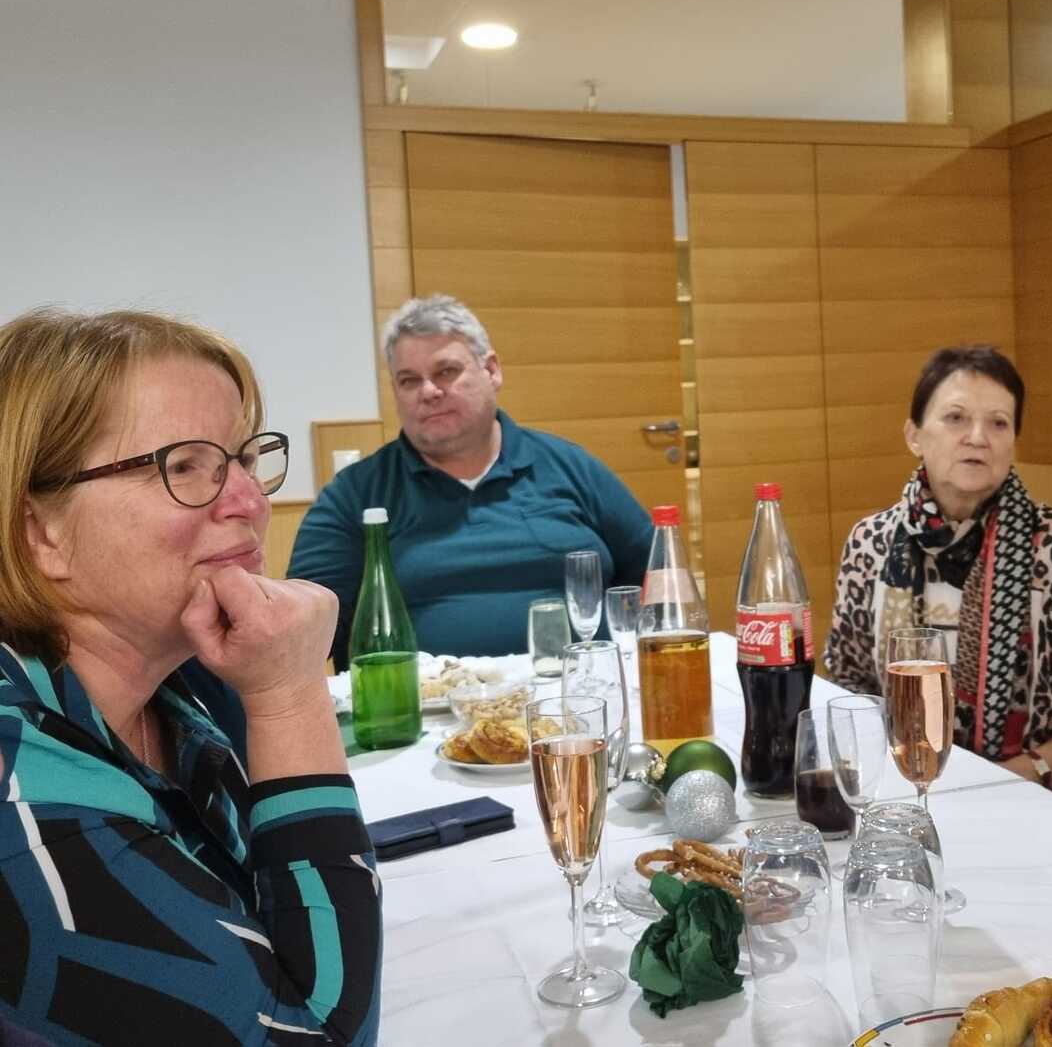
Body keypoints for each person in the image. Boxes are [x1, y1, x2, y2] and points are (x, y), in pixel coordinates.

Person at [0, 309, 379, 1044]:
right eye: (184, 467)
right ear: (40, 532)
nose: (251, 502)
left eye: (244, 459)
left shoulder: (170, 703)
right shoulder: (29, 808)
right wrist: (289, 694)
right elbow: (321, 1035)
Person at [824, 345, 1052, 819]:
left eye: (998, 423)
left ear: (1013, 441)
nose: (978, 437)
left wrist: (1023, 773)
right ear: (914, 435)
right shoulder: (870, 543)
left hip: (1037, 793)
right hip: (903, 785)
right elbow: (849, 687)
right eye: (955, 418)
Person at [288, 294, 653, 667]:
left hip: (575, 690)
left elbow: (658, 575)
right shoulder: (356, 495)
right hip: (422, 700)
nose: (428, 392)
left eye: (446, 372)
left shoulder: (571, 468)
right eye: (409, 380)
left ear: (491, 370)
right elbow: (302, 630)